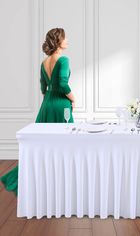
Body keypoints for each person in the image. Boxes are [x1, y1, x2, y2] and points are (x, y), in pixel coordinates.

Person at [0, 28, 75, 195]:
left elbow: (43, 86)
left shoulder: (44, 62)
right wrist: (73, 98)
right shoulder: (63, 60)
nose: (67, 40)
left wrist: (50, 96)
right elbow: (63, 84)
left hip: (47, 104)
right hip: (60, 104)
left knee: (41, 145)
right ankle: (61, 183)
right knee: (65, 143)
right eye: (65, 38)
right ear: (58, 42)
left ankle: (39, 181)